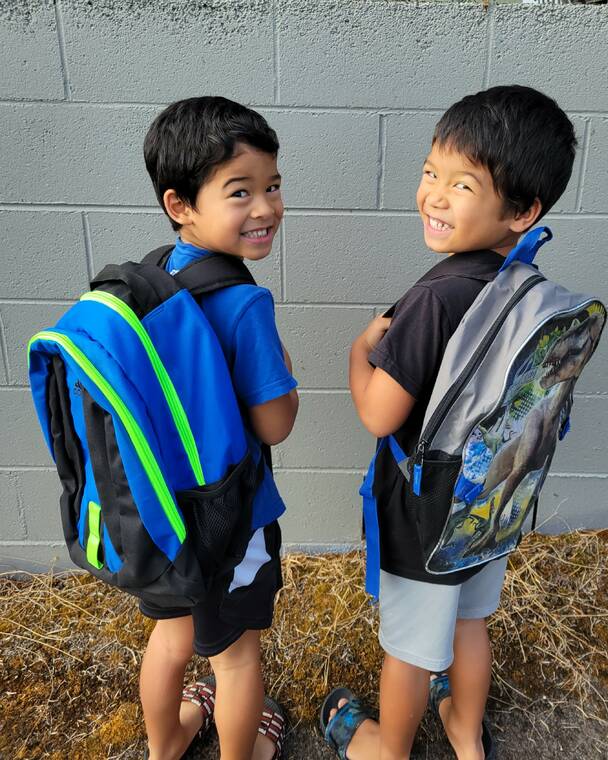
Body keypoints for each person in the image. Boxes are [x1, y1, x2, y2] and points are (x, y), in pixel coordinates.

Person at [321, 85, 577, 760]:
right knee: (470, 623)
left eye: (462, 184)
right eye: (430, 172)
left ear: (520, 211)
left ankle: (387, 747)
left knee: (409, 651)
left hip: (425, 513)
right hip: (491, 499)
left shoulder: (435, 298)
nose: (433, 195)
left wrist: (357, 354)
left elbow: (379, 413)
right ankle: (466, 734)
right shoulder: (525, 288)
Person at [139, 96, 299, 760]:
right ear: (181, 204)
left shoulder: (152, 276)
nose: (265, 207)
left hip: (159, 510)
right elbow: (275, 423)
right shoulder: (243, 303)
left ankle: (166, 743)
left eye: (272, 186)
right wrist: (282, 365)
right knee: (235, 657)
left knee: (171, 639)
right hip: (229, 516)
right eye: (240, 191)